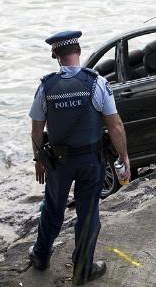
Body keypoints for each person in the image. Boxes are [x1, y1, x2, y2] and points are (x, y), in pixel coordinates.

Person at [28, 30, 130, 285]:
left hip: (58, 163)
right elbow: (115, 124)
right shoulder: (97, 83)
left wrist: (39, 159)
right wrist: (124, 157)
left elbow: (36, 129)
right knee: (88, 212)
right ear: (79, 52)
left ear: (56, 56)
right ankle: (83, 269)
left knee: (52, 208)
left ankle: (41, 256)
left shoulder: (46, 86)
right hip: (90, 161)